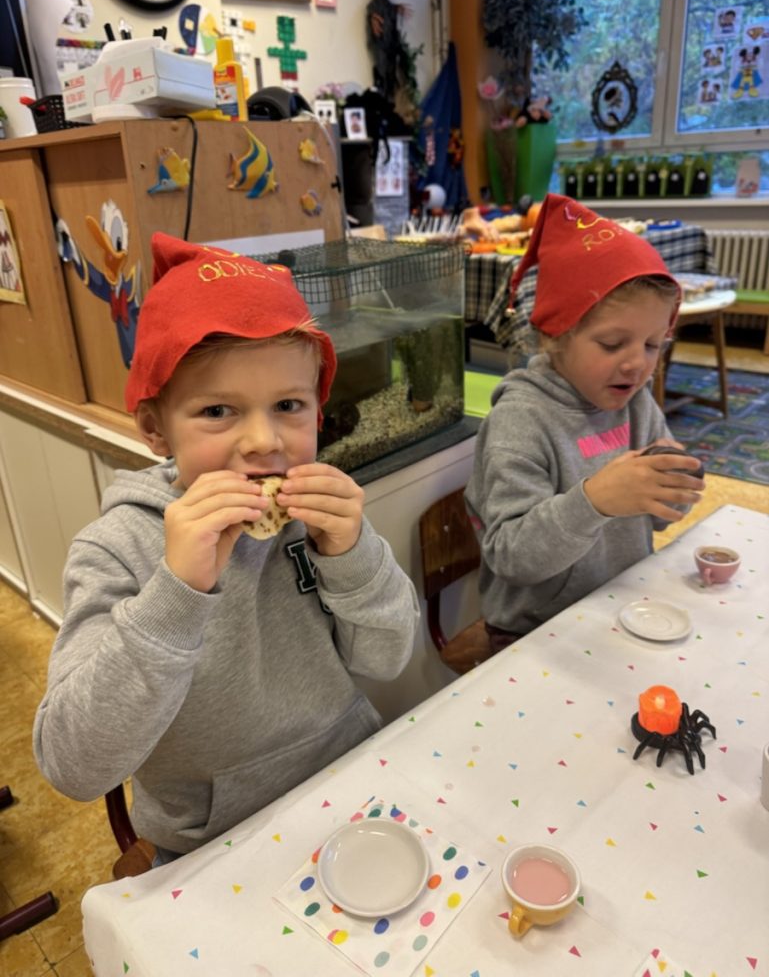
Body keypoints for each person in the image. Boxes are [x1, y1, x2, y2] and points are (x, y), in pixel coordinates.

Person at [33, 234, 419, 862]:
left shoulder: (318, 521)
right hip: (214, 841)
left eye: (289, 405)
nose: (264, 441)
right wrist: (177, 595)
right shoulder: (116, 548)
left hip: (347, 784)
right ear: (156, 429)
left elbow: (388, 659)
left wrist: (352, 557)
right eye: (218, 411)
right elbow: (72, 766)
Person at [465, 194, 705, 645]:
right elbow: (512, 556)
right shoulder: (520, 422)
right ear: (554, 337)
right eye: (613, 344)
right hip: (535, 633)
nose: (637, 364)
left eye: (653, 345)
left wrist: (674, 488)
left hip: (622, 605)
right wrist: (595, 501)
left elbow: (659, 519)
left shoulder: (636, 404)